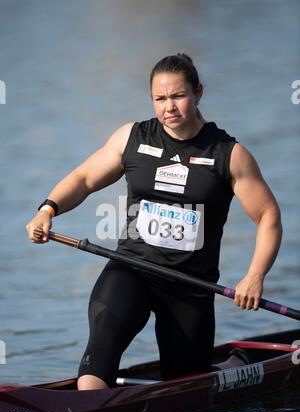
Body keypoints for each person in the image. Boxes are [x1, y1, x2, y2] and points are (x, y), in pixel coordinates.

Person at [26, 53, 282, 390]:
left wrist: (254, 276)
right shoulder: (132, 138)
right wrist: (48, 208)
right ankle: (90, 408)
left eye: (178, 96)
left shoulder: (228, 154)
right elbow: (85, 178)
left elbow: (268, 216)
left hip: (191, 286)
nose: (169, 107)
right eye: (160, 99)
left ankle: (235, 362)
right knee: (99, 354)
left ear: (198, 93)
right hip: (130, 270)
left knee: (185, 385)